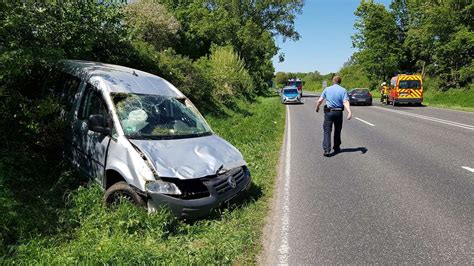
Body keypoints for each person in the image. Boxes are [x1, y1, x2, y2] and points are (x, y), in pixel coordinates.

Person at [315, 75, 352, 156]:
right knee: (337, 130)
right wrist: (349, 112)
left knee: (327, 131)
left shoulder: (327, 89)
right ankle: (336, 147)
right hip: (339, 113)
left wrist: (317, 107)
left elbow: (320, 100)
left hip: (329, 112)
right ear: (340, 81)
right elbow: (345, 101)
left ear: (333, 81)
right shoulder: (343, 90)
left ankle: (327, 150)